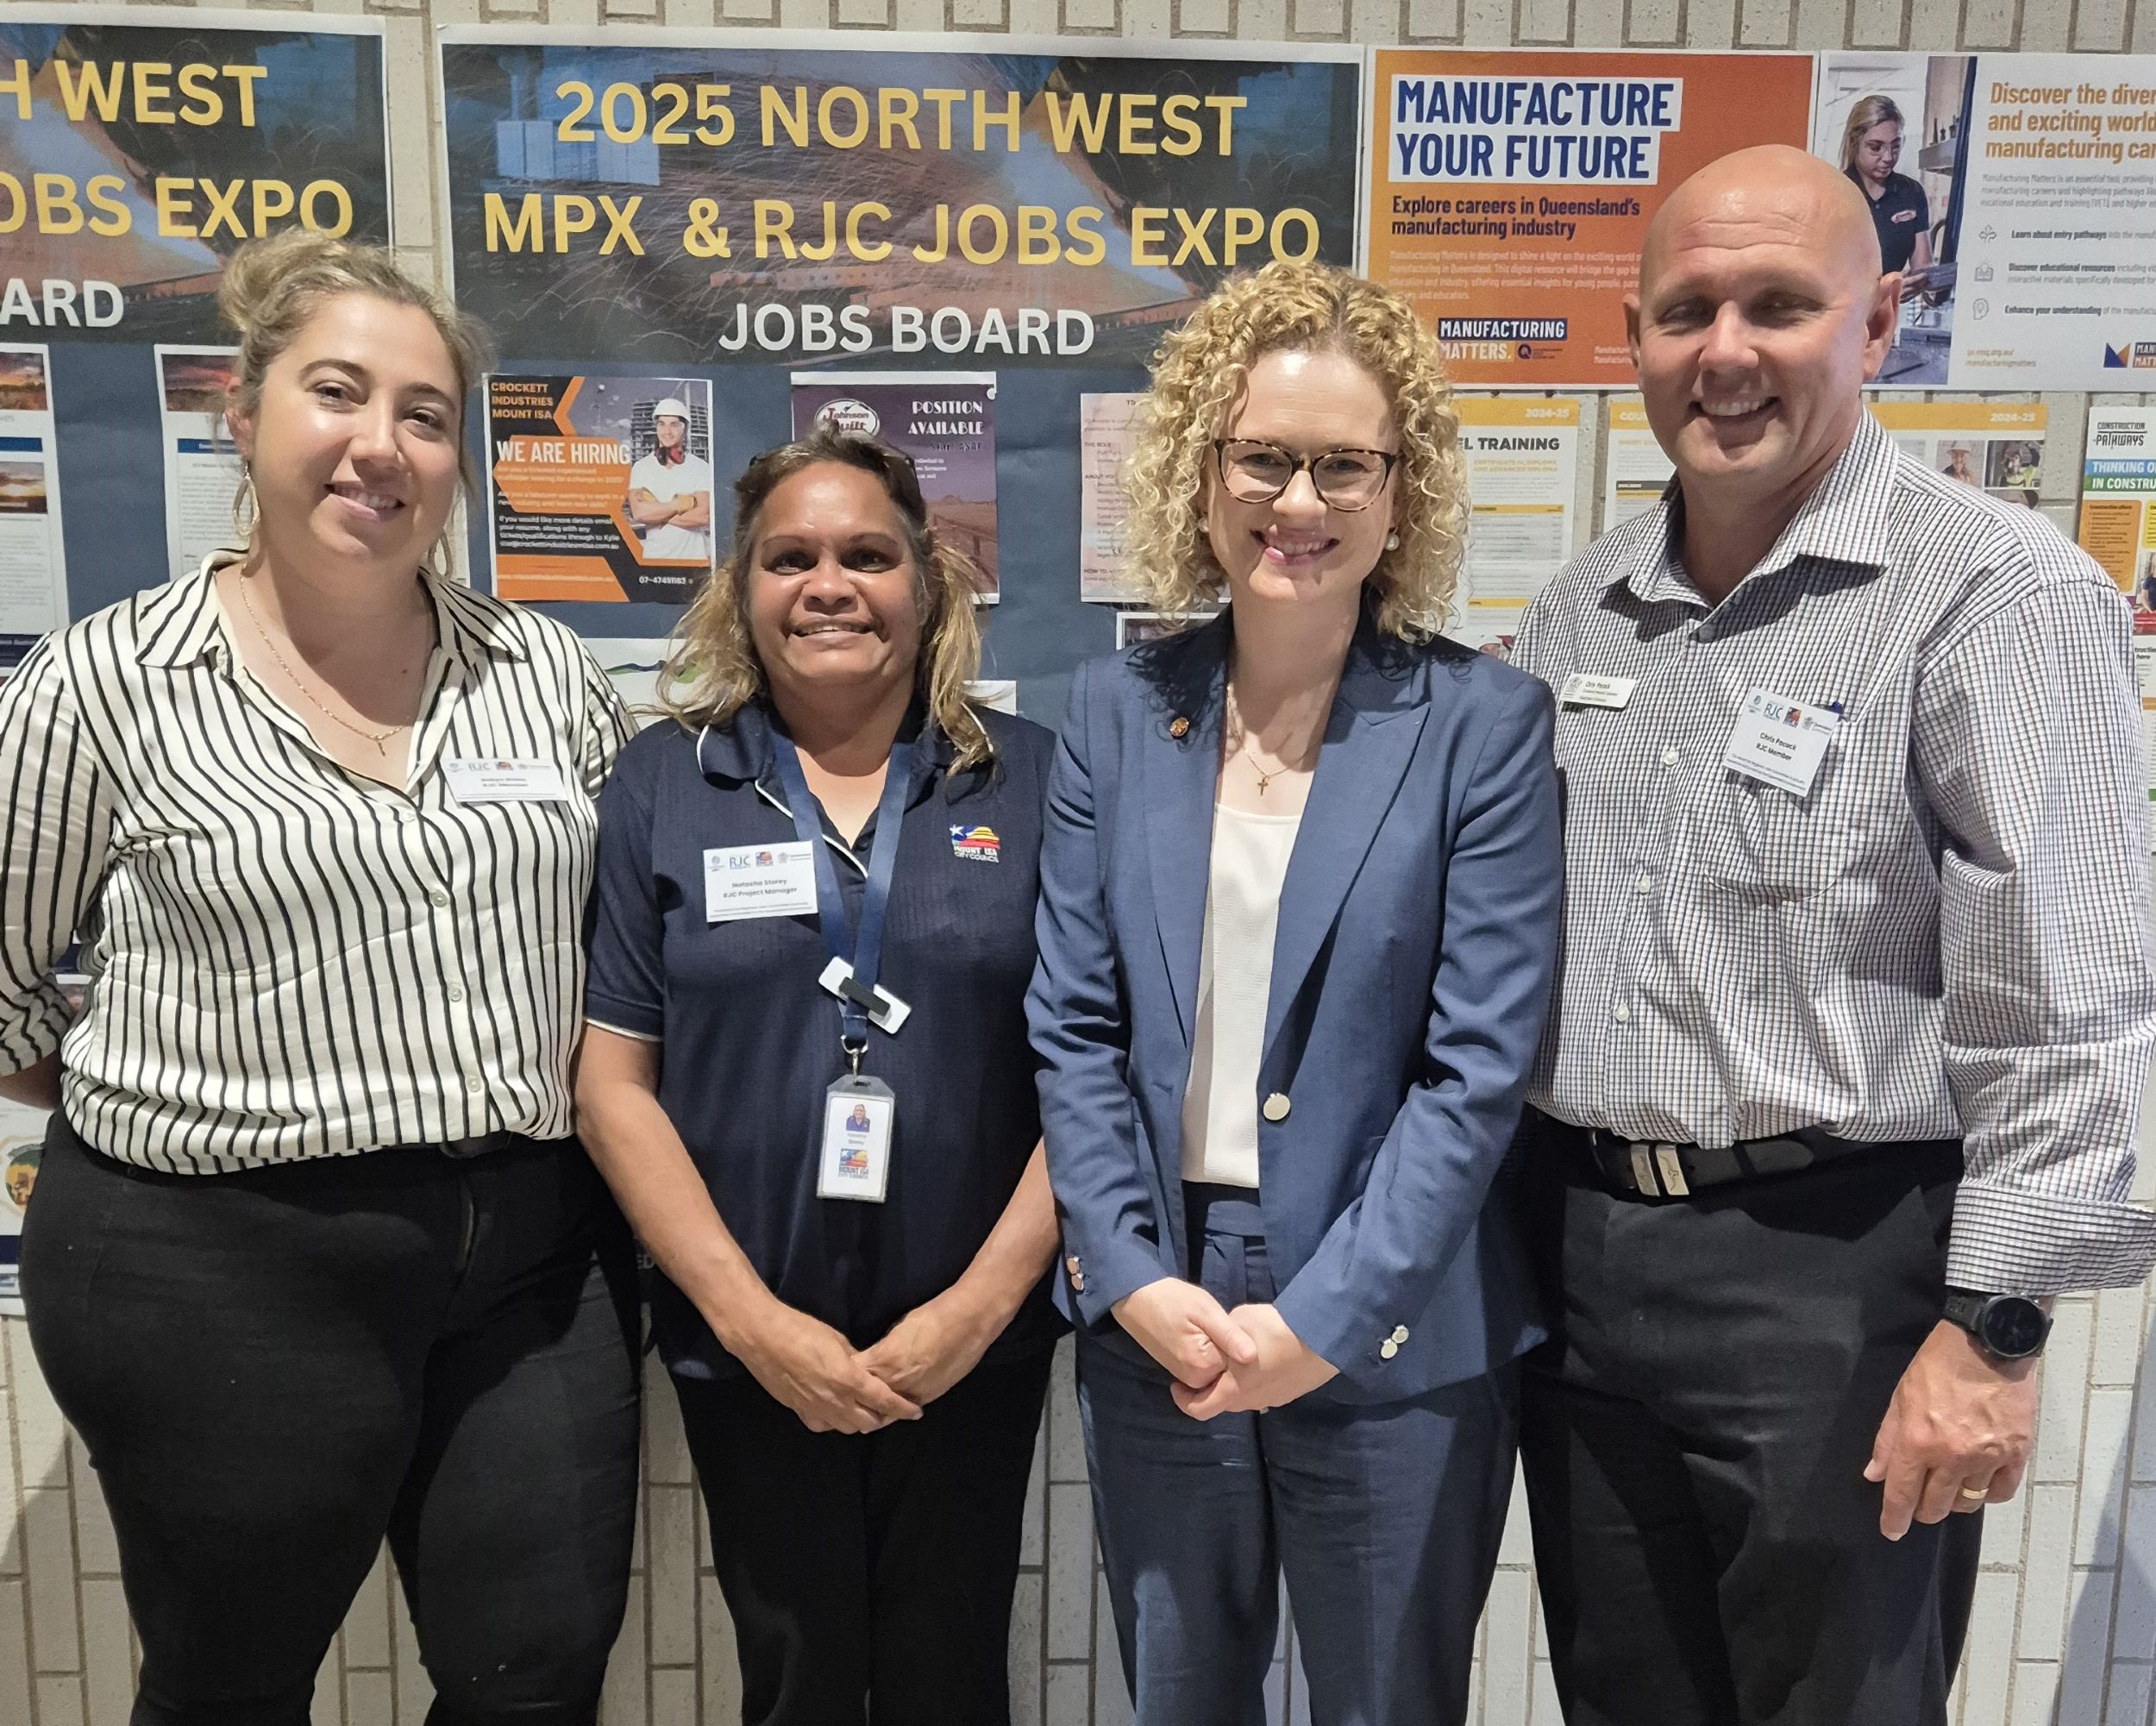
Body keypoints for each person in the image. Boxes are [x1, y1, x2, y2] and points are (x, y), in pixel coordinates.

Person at [1508, 145, 2156, 1726]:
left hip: (1843, 1280)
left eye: (1780, 306)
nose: (1726, 351)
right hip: (1581, 1257)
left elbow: (2075, 994)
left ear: (1877, 326)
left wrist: (1993, 1334)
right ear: (1638, 341)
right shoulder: (1575, 612)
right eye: (1686, 312)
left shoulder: (1993, 595)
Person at [0, 230, 642, 1723]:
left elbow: (628, 938)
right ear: (244, 409)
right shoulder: (107, 681)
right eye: (338, 393)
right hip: (221, 1269)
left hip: (529, 1261)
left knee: (536, 1672)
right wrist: (148, 1080)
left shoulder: (542, 671)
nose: (384, 445)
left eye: (425, 414)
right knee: (232, 1685)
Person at [1028, 259, 1563, 1726]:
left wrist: (1324, 1317)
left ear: (1405, 493)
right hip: (1164, 1305)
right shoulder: (1117, 711)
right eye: (1265, 457)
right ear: (1206, 473)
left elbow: (1476, 1073)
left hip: (1393, 1316)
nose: (1300, 502)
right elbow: (1073, 1024)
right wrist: (1129, 1274)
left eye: (1344, 464)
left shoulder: (1484, 726)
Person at [576, 427, 1061, 1726]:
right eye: (790, 558)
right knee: (789, 1682)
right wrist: (747, 1320)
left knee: (950, 1681)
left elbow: (1096, 1076)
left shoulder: (1033, 783)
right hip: (753, 1348)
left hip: (970, 1349)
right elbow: (614, 1084)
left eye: (867, 554)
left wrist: (974, 1316)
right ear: (743, 591)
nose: (829, 584)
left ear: (929, 585)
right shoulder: (664, 784)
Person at [1841, 94, 1933, 284]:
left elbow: (1922, 268)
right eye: (1876, 148)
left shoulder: (1911, 192)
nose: (1888, 157)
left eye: (1896, 146)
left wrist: (1920, 282)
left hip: (1890, 309)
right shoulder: (1836, 192)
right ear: (1854, 143)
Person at [626, 394, 713, 560]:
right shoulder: (641, 468)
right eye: (662, 424)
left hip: (693, 560)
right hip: (655, 560)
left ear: (684, 428)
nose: (667, 431)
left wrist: (656, 511)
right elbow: (638, 513)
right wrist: (680, 504)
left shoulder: (700, 467)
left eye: (674, 425)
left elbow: (702, 516)